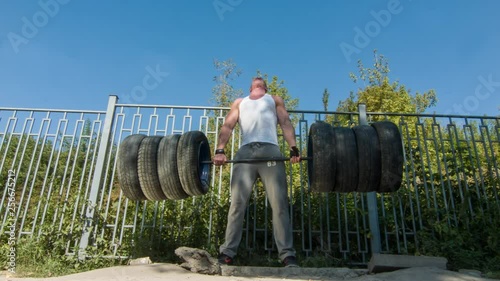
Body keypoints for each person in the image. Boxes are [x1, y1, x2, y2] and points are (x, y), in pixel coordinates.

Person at [213, 77, 300, 267]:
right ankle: (228, 252)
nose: (258, 81)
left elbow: (285, 122)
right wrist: (220, 150)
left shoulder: (274, 99)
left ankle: (287, 255)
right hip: (246, 153)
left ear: (265, 88)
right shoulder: (239, 102)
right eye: (255, 81)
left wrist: (293, 147)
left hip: (270, 151)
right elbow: (228, 125)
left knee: (279, 204)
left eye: (261, 82)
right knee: (237, 204)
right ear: (250, 87)